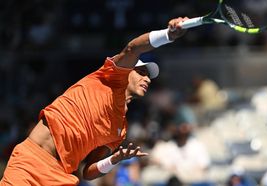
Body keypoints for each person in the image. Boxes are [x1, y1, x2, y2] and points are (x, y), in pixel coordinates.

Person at [0, 17, 188, 186]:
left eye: (149, 76)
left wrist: (112, 161)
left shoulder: (120, 130)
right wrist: (169, 34)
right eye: (141, 72)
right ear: (127, 70)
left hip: (60, 176)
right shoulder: (110, 78)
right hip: (30, 162)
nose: (146, 79)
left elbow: (88, 172)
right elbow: (134, 47)